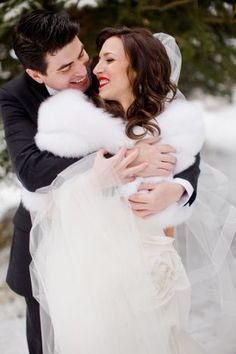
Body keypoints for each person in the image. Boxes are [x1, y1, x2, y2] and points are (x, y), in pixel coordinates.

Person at [0, 10, 200, 354]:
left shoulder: (107, 69)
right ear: (36, 73)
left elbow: (177, 134)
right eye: (65, 68)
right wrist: (130, 150)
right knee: (51, 341)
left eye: (81, 54)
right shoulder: (15, 96)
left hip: (124, 244)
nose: (83, 71)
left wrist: (178, 188)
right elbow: (32, 170)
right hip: (47, 241)